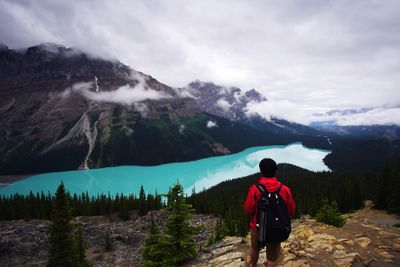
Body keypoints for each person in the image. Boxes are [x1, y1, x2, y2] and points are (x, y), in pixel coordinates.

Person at [243, 158, 296, 267]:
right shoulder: (284, 189)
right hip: (276, 228)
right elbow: (291, 210)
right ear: (275, 171)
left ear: (261, 171)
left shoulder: (255, 189)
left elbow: (248, 209)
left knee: (255, 249)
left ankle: (253, 264)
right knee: (272, 258)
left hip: (257, 227)